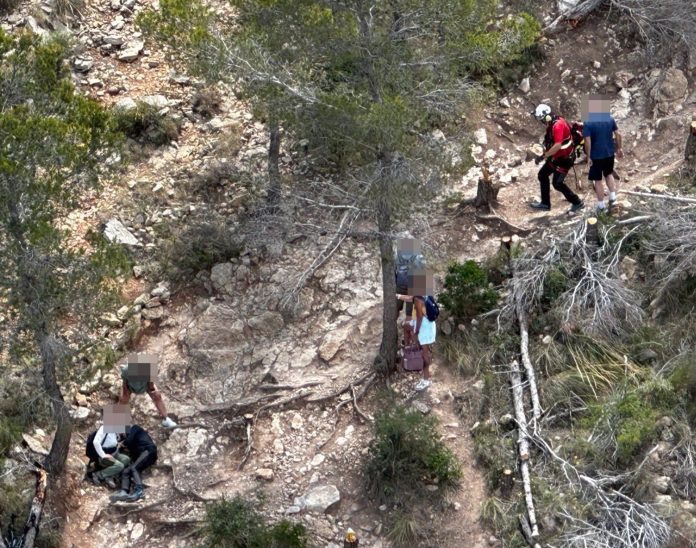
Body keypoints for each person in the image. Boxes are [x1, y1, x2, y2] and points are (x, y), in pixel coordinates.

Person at [529, 104, 585, 213]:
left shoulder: (557, 125)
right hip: (556, 157)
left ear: (546, 117)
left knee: (557, 183)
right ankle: (545, 204)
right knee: (542, 175)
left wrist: (545, 155)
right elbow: (551, 141)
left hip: (564, 159)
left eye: (541, 119)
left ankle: (577, 202)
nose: (541, 122)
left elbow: (557, 145)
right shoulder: (554, 122)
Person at [582, 95, 623, 212]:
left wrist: (588, 156)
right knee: (609, 174)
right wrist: (619, 148)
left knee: (598, 180)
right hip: (609, 153)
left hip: (596, 156)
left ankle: (601, 206)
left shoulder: (588, 123)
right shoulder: (610, 119)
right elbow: (618, 134)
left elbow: (588, 142)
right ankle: (613, 198)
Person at [119, 354, 177, 428]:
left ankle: (166, 419)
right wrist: (125, 394)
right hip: (130, 385)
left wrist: (153, 391)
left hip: (145, 384)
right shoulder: (126, 370)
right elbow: (125, 384)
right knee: (122, 399)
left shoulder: (149, 369)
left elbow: (151, 384)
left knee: (157, 396)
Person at [397, 294, 436, 392]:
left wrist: (416, 333)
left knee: (425, 354)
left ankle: (426, 380)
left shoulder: (418, 300)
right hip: (426, 323)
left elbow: (419, 318)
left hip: (424, 327)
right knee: (405, 325)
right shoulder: (423, 295)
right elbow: (409, 298)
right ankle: (409, 350)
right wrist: (397, 296)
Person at [110, 424, 158, 503]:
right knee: (126, 471)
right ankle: (124, 492)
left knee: (134, 468)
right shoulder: (128, 438)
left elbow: (128, 441)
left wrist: (121, 444)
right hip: (141, 456)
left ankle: (139, 491)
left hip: (148, 451)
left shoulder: (134, 428)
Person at [87, 424, 131, 489]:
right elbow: (95, 442)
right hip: (104, 456)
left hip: (114, 454)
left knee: (126, 459)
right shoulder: (104, 428)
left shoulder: (115, 430)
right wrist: (103, 455)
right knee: (120, 466)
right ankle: (98, 475)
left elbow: (112, 441)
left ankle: (110, 476)